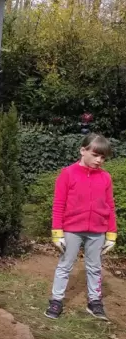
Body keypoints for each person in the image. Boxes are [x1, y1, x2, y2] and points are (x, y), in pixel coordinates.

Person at [45, 134, 117, 321]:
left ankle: (94, 302)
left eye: (103, 157)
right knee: (65, 265)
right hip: (71, 230)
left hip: (97, 232)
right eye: (95, 155)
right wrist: (57, 232)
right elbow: (59, 204)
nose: (99, 160)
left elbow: (110, 205)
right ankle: (56, 300)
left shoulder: (105, 177)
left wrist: (111, 234)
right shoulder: (68, 173)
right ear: (83, 151)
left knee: (94, 267)